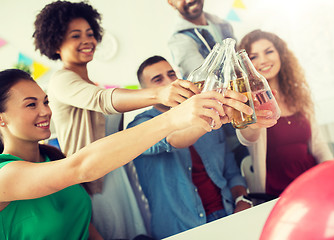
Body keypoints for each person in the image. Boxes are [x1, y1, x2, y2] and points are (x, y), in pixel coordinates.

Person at [0, 68, 244, 239]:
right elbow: (81, 167)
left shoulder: (52, 158)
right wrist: (172, 118)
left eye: (45, 102)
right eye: (31, 104)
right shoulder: (5, 175)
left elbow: (86, 228)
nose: (45, 111)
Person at [32, 1, 201, 239]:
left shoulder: (91, 84)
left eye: (90, 34)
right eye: (75, 35)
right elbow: (101, 100)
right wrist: (160, 93)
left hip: (122, 179)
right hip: (95, 186)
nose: (87, 40)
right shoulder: (61, 80)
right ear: (56, 42)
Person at [127, 56, 254, 239]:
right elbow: (172, 139)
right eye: (158, 79)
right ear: (145, 91)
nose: (171, 82)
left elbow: (231, 172)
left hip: (228, 216)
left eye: (172, 75)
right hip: (180, 230)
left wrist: (242, 200)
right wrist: (211, 118)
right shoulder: (139, 126)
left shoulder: (207, 112)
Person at [236, 29, 334, 198]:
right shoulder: (247, 100)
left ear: (280, 54)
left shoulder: (300, 94)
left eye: (269, 52)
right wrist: (253, 121)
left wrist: (332, 173)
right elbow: (246, 138)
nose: (264, 60)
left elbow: (318, 145)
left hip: (313, 184)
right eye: (254, 56)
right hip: (277, 194)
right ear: (245, 64)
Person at [167, 0, 249, 170]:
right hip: (225, 130)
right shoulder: (180, 39)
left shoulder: (223, 24)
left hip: (248, 112)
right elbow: (206, 83)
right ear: (170, 2)